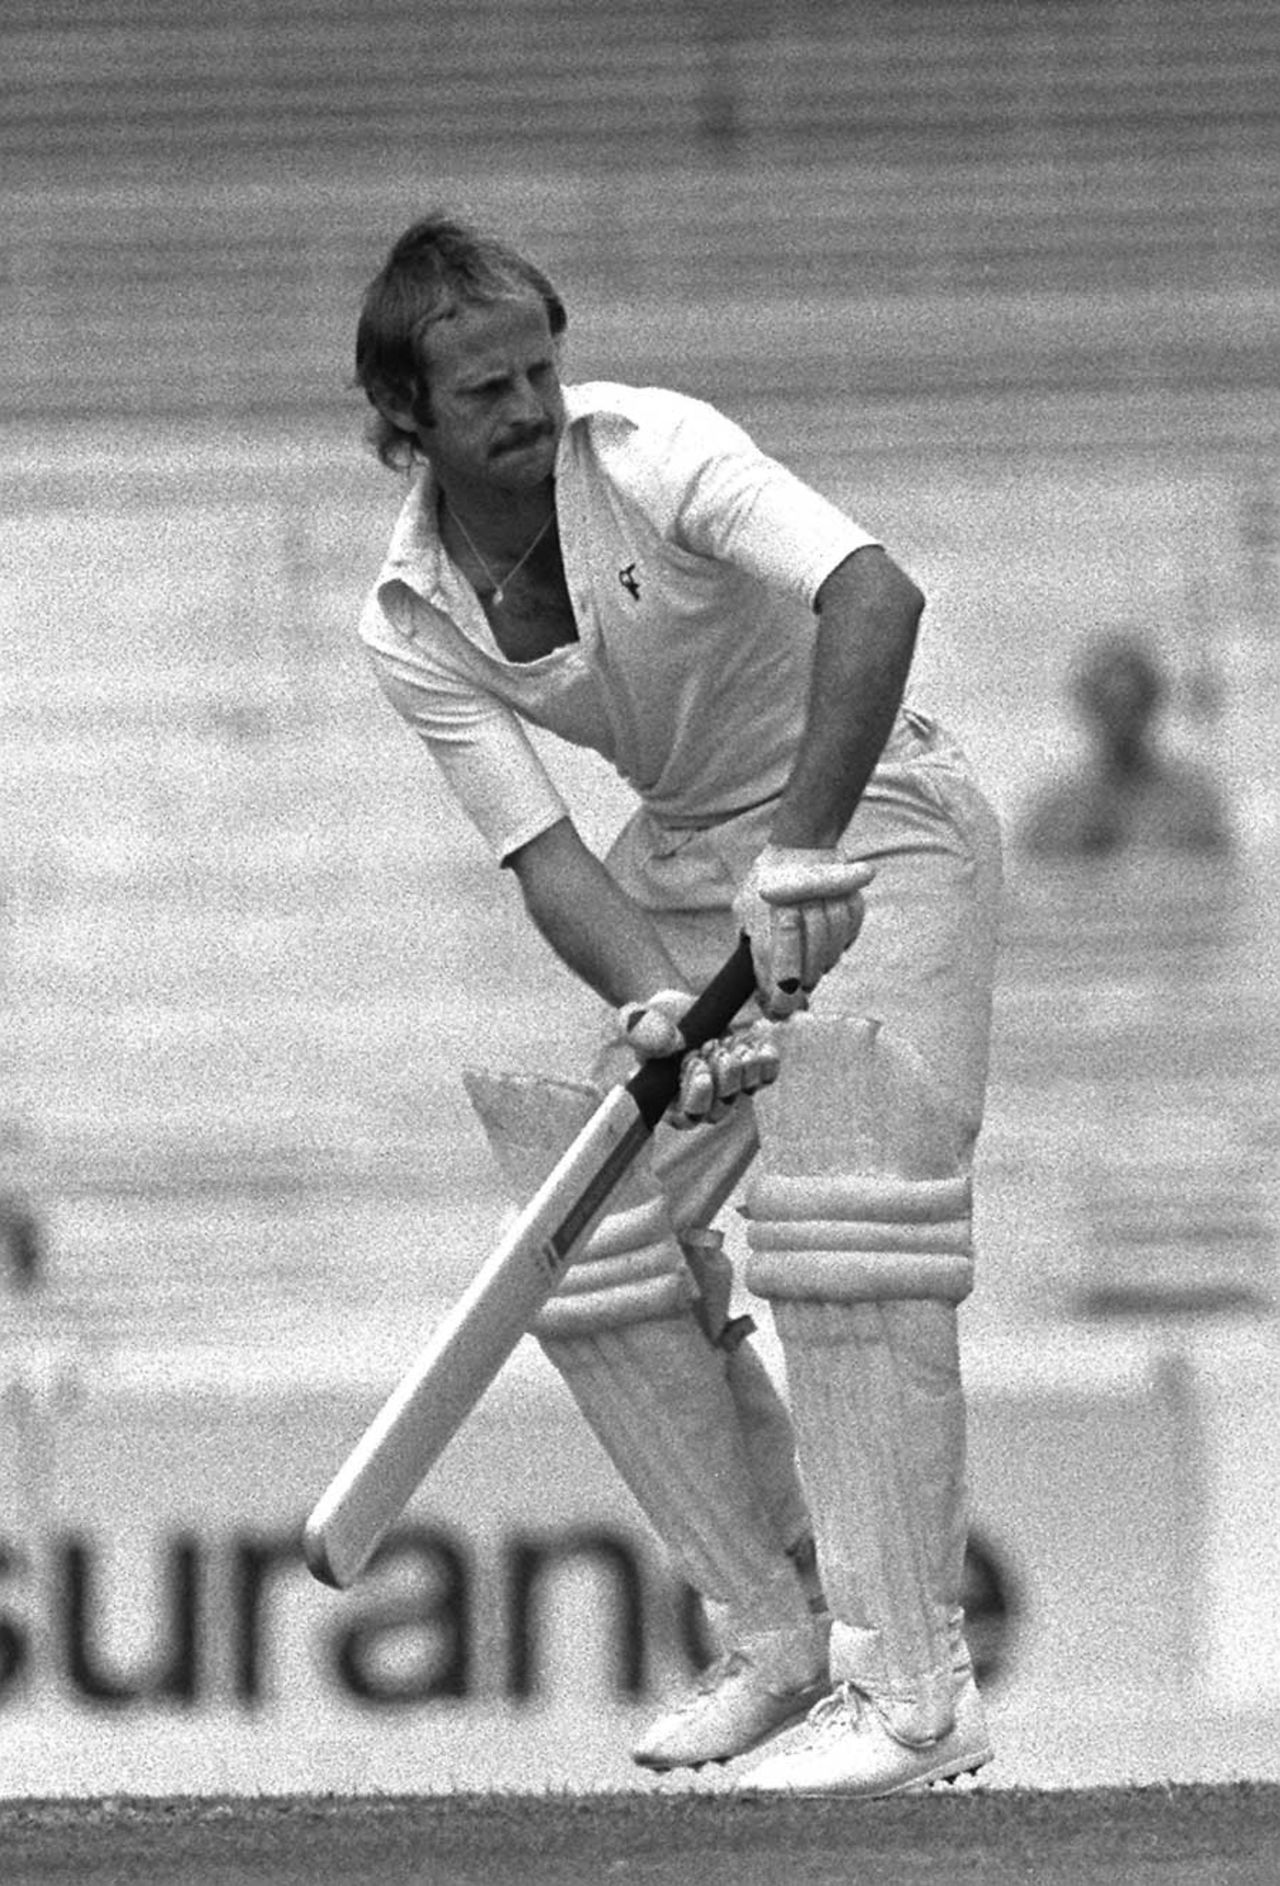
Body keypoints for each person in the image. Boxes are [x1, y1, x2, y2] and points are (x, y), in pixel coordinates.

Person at [351, 212, 1004, 1796]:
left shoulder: (652, 453)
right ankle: (775, 1626)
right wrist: (660, 1005)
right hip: (688, 858)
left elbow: (875, 594)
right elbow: (545, 854)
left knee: (847, 1204)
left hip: (880, 812)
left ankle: (913, 1686)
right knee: (592, 1207)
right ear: (405, 422)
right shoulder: (408, 617)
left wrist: (803, 850)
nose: (528, 407)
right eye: (486, 390)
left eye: (538, 369)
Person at [1018, 632, 1233, 859]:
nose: (1122, 722)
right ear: (1090, 708)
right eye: (1110, 706)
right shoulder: (1055, 814)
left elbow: (1218, 877)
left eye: (1132, 706)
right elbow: (1033, 882)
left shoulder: (1193, 805)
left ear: (1152, 705)